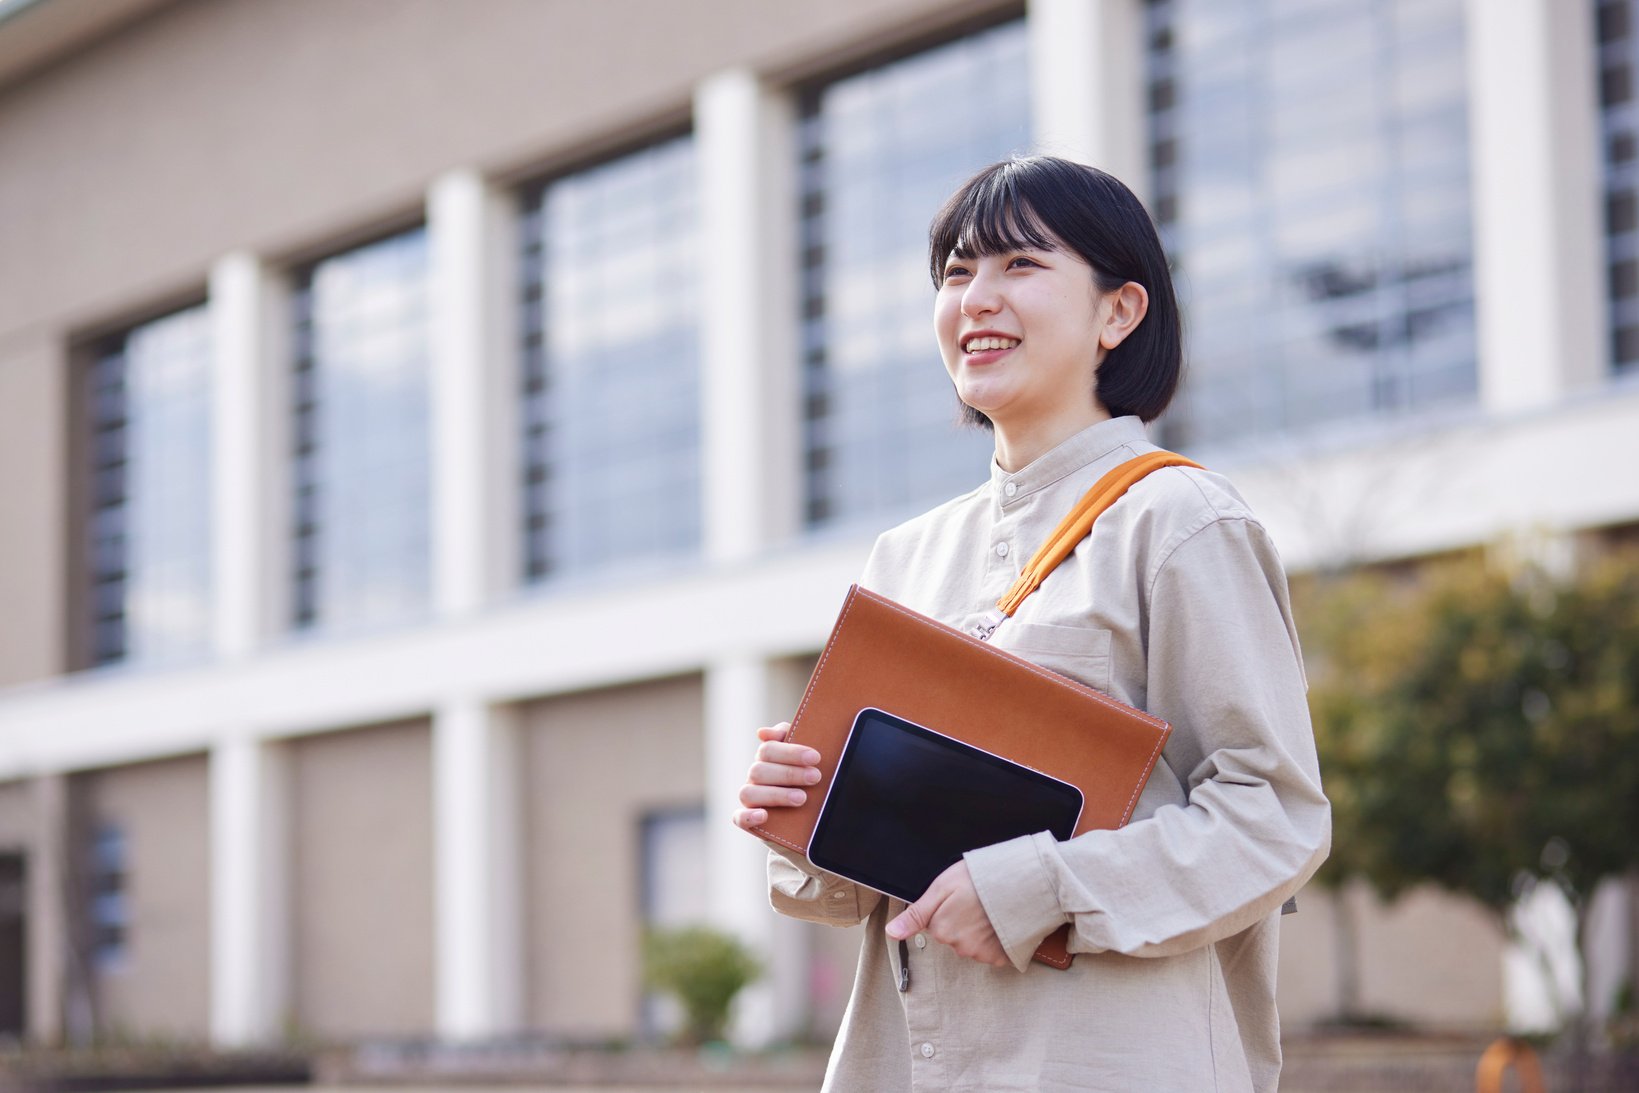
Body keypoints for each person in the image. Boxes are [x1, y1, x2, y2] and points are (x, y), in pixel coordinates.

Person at [732, 155, 1330, 1092]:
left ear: (1117, 312)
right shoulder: (905, 555)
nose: (976, 297)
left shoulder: (1177, 519)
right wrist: (802, 807)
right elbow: (871, 877)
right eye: (956, 273)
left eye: (1019, 265)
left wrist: (1035, 888)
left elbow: (1271, 816)